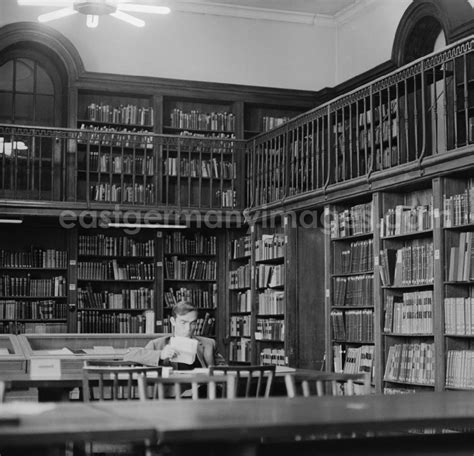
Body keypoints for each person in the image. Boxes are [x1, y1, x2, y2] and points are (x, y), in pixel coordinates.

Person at [125, 300, 226, 369]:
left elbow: (224, 369)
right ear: (173, 321)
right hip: (174, 394)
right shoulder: (158, 344)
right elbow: (129, 355)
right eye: (183, 322)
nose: (188, 328)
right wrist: (161, 354)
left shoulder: (209, 344)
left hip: (203, 391)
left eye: (193, 323)